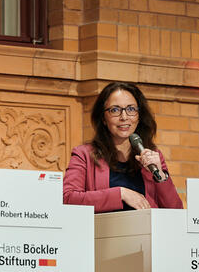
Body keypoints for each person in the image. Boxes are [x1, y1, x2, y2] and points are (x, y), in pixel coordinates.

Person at [63, 81, 182, 213]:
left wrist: (160, 175)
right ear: (103, 118)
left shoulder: (152, 155)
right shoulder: (84, 154)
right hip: (102, 232)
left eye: (131, 109)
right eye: (115, 110)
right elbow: (68, 198)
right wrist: (121, 194)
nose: (124, 117)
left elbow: (176, 212)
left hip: (144, 232)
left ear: (139, 116)